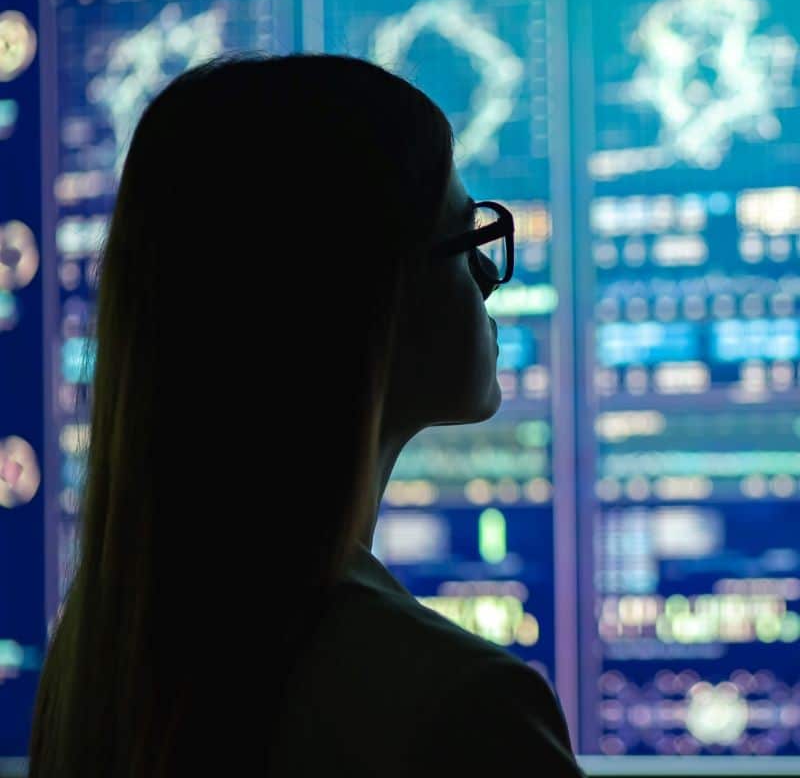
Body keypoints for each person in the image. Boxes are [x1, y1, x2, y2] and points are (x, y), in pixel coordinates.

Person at [28, 51, 584, 777]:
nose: (491, 280)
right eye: (468, 242)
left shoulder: (97, 659)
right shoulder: (467, 709)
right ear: (363, 297)